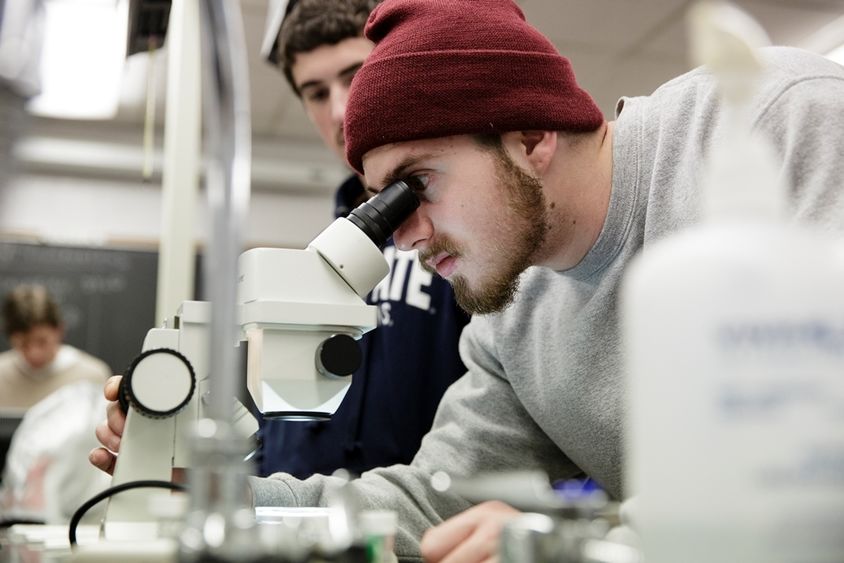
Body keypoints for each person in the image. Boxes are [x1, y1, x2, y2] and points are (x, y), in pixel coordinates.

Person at [90, 0, 844, 560]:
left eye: (416, 185)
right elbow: (427, 501)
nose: (405, 233)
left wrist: (579, 537)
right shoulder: (513, 318)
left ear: (532, 135)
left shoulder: (771, 121)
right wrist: (227, 497)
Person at [251, 0, 469, 478]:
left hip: (424, 530)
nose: (340, 109)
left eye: (355, 76)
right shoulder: (323, 252)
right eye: (315, 92)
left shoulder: (461, 230)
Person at [0, 284, 110, 409]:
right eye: (23, 344)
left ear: (60, 330)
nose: (34, 353)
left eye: (42, 341)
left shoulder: (92, 376)